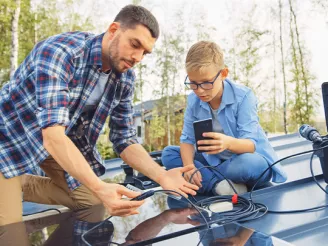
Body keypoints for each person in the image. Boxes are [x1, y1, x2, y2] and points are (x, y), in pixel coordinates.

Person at [0, 4, 198, 226]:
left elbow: (124, 139)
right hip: (9, 140)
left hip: (52, 141)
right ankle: (6, 182)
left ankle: (14, 182)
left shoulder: (125, 78)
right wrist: (100, 185)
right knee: (11, 233)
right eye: (135, 44)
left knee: (92, 201)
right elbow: (53, 136)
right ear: (113, 30)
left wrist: (161, 176)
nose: (138, 57)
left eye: (145, 52)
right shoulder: (59, 53)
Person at [161, 41, 287, 196]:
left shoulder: (244, 97)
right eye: (193, 84)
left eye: (206, 83)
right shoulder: (193, 101)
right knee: (168, 154)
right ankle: (219, 185)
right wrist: (189, 167)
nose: (199, 91)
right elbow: (187, 139)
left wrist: (227, 143)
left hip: (244, 160)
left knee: (248, 164)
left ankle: (208, 178)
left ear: (223, 74)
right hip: (214, 160)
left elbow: (251, 145)